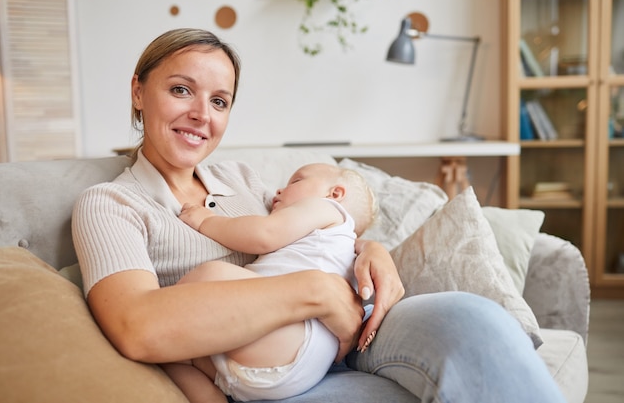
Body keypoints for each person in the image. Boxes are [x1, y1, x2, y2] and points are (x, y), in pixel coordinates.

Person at [72, 27, 567, 403]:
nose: (203, 113)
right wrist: (316, 292)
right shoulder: (111, 205)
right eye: (181, 90)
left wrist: (369, 250)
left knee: (471, 318)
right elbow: (138, 327)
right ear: (139, 92)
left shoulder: (241, 180)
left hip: (343, 334)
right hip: (267, 370)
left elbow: (313, 223)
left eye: (219, 100)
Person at [166, 162, 377, 402]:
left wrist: (206, 221)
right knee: (178, 358)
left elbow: (264, 235)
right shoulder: (340, 244)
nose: (278, 190)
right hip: (300, 369)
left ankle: (161, 313)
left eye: (296, 181)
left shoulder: (327, 208)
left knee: (210, 276)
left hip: (291, 335)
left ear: (335, 194)